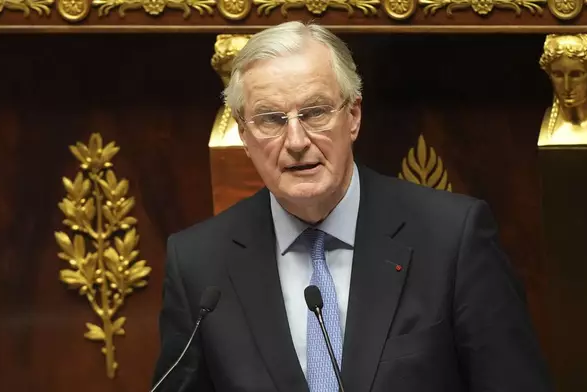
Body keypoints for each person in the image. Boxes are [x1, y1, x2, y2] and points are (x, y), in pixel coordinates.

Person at [152, 21, 552, 392]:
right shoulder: (200, 266)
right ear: (244, 135)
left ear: (354, 117)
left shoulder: (452, 239)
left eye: (315, 112)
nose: (296, 140)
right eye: (271, 119)